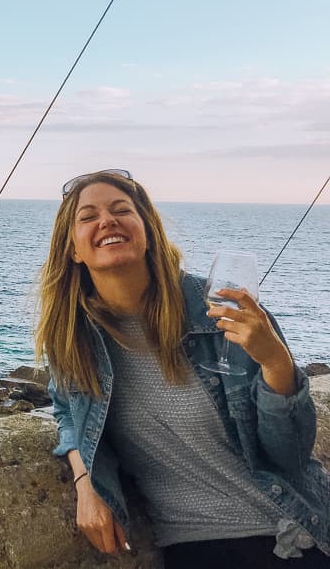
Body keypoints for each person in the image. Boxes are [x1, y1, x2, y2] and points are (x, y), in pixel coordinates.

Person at [35, 169, 330, 567]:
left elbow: (290, 454)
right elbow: (67, 410)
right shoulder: (74, 339)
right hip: (192, 546)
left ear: (147, 231)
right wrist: (86, 482)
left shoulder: (221, 313)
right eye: (88, 216)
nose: (106, 220)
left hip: (292, 534)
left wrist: (276, 361)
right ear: (73, 249)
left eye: (122, 209)